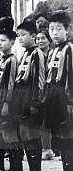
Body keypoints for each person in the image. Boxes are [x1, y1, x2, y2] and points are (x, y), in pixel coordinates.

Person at [12, 20, 45, 171]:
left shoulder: (36, 53)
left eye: (23, 35)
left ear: (33, 36)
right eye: (18, 35)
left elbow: (39, 79)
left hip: (32, 99)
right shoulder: (24, 53)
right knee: (24, 134)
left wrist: (35, 103)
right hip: (21, 98)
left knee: (32, 135)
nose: (20, 38)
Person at [44, 11, 73, 171]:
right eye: (51, 29)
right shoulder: (52, 50)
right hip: (53, 98)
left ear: (67, 30)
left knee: (68, 138)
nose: (54, 33)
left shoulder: (69, 49)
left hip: (66, 99)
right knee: (61, 140)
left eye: (59, 29)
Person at [0, 29, 18, 171]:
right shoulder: (0, 59)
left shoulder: (12, 60)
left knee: (11, 134)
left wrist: (7, 103)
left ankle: (16, 169)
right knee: (2, 134)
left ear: (12, 42)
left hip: (7, 101)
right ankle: (3, 167)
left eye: (3, 40)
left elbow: (11, 84)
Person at [35, 28, 55, 161]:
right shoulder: (34, 55)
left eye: (43, 38)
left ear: (49, 40)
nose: (40, 41)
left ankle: (50, 148)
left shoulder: (53, 54)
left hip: (54, 90)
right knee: (42, 120)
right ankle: (46, 148)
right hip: (39, 91)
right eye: (38, 38)